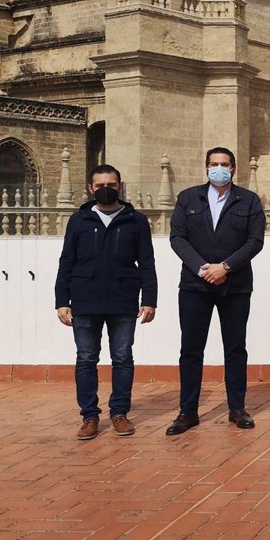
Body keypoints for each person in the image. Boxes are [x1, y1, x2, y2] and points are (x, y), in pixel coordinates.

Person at [166, 147, 266, 435]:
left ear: (234, 169)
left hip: (235, 285)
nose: (218, 169)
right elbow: (178, 238)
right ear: (205, 167)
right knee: (191, 350)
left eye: (224, 164)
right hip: (194, 286)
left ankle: (237, 408)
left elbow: (254, 241)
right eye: (214, 164)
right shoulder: (188, 198)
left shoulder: (248, 201)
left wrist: (225, 267)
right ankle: (188, 412)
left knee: (235, 348)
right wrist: (203, 268)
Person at [55, 164, 157, 440]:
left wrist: (149, 299)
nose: (106, 189)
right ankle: (89, 416)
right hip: (85, 299)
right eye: (99, 185)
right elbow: (67, 261)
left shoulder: (135, 220)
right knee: (86, 359)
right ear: (91, 188)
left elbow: (147, 262)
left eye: (111, 185)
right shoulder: (80, 220)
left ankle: (119, 413)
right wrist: (61, 300)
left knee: (122, 358)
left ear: (120, 186)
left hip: (123, 299)